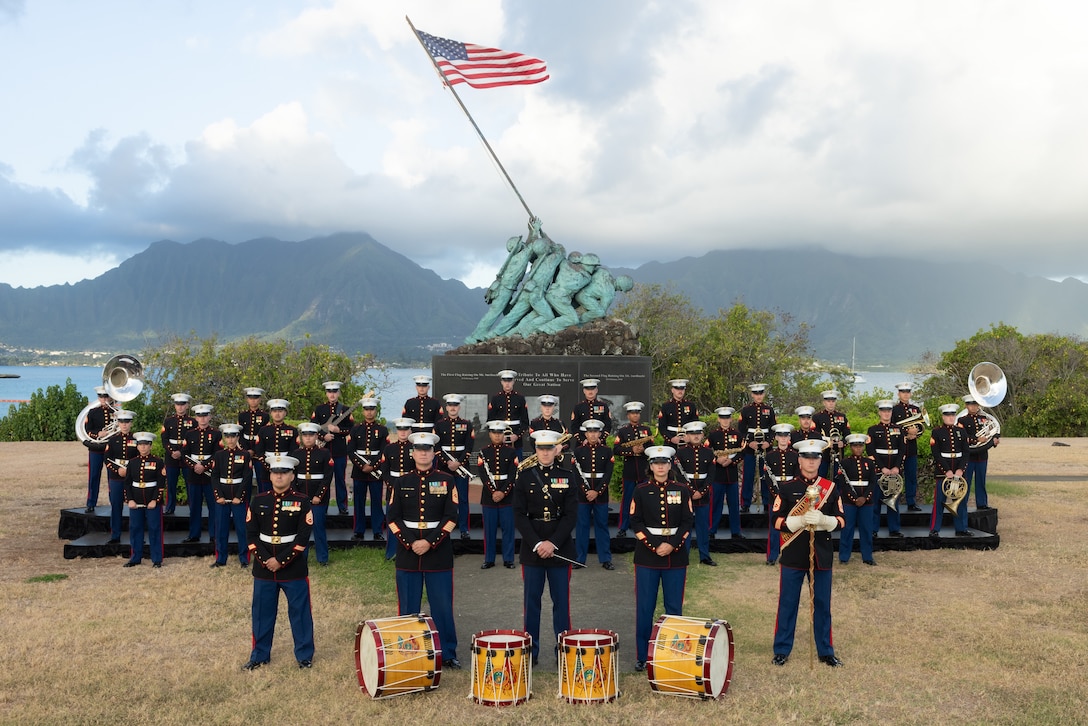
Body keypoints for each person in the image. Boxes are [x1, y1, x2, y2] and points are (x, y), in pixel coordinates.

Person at [386, 432, 461, 668]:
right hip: (408, 553)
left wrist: (429, 542)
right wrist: (411, 543)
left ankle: (447, 653)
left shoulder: (447, 480)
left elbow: (452, 517)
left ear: (433, 453)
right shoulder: (401, 481)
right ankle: (407, 654)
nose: (423, 453)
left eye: (427, 449)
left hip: (438, 552)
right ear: (412, 453)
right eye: (419, 449)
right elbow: (392, 518)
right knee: (408, 607)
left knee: (442, 606)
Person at [771, 438, 845, 668]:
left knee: (822, 605)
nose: (811, 462)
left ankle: (826, 651)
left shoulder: (830, 488)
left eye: (815, 458)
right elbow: (776, 521)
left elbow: (842, 521)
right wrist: (799, 521)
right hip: (793, 554)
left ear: (820, 461)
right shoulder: (786, 488)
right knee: (788, 604)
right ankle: (782, 649)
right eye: (806, 458)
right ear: (800, 460)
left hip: (821, 554)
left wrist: (824, 521)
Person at [513, 429, 579, 666]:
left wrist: (553, 543)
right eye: (541, 449)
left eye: (549, 448)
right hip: (533, 549)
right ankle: (531, 651)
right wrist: (538, 543)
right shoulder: (524, 477)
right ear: (536, 450)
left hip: (560, 548)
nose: (545, 453)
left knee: (561, 603)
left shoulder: (567, 476)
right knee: (531, 604)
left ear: (556, 451)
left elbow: (571, 515)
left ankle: (564, 651)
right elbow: (519, 515)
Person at [243, 454, 315, 671]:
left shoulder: (302, 501)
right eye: (275, 472)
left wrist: (280, 561)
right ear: (270, 475)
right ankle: (259, 655)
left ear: (292, 476)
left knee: (300, 613)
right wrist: (266, 560)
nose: (279, 476)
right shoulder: (259, 500)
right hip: (264, 568)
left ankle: (304, 655)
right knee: (261, 614)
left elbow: (303, 537)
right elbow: (251, 535)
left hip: (293, 568)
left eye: (284, 472)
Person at [631, 445, 694, 671]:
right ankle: (643, 655)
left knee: (674, 608)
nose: (660, 466)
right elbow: (635, 521)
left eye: (664, 463)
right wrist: (655, 545)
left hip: (675, 557)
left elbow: (688, 521)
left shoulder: (682, 489)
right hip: (647, 557)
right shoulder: (640, 490)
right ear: (650, 466)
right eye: (656, 463)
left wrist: (672, 544)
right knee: (645, 608)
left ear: (670, 465)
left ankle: (673, 655)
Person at [467, 233, 536, 344]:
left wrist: (531, 232)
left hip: (506, 289)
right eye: (520, 243)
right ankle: (477, 335)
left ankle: (511, 329)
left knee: (508, 311)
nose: (523, 244)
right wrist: (534, 232)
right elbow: (531, 246)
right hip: (505, 289)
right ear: (518, 247)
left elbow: (529, 245)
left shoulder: (516, 257)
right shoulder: (521, 256)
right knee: (494, 312)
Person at [208, 423, 252, 569]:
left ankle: (244, 559)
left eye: (233, 436)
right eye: (227, 436)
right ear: (224, 438)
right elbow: (214, 477)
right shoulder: (219, 455)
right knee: (221, 529)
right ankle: (221, 558)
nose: (230, 439)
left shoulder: (245, 455)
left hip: (239, 498)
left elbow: (247, 477)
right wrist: (218, 496)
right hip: (222, 497)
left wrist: (240, 496)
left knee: (242, 529)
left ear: (238, 437)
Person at [573, 419, 615, 570]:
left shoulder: (607, 451)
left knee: (602, 526)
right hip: (583, 495)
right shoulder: (578, 451)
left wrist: (597, 491)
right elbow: (576, 475)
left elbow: (608, 474)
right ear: (585, 434)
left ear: (600, 434)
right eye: (590, 432)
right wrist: (587, 491)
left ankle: (605, 559)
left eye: (595, 432)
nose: (592, 434)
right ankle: (579, 558)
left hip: (600, 494)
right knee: (582, 526)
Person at [477, 420, 519, 569]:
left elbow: (513, 474)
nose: (497, 436)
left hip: (507, 497)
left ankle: (508, 559)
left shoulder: (511, 452)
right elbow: (483, 475)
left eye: (500, 433)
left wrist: (503, 492)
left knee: (508, 529)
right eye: (494, 433)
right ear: (490, 434)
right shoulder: (483, 452)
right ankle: (489, 559)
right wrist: (493, 492)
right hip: (489, 497)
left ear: (503, 434)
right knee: (489, 531)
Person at [291, 422, 334, 567]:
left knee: (318, 527)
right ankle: (300, 557)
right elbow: (293, 477)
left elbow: (327, 477)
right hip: (301, 496)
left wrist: (319, 496)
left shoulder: (324, 453)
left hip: (318, 498)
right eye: (305, 435)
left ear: (316, 436)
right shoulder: (296, 454)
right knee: (301, 529)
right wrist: (296, 495)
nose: (308, 438)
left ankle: (322, 558)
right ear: (301, 437)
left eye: (311, 435)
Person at [676, 420, 716, 566]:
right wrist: (692, 491)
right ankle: (683, 555)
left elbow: (711, 475)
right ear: (687, 436)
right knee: (685, 526)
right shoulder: (680, 452)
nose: (696, 436)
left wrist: (702, 491)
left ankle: (704, 556)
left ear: (703, 435)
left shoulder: (708, 452)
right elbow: (678, 474)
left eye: (698, 433)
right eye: (692, 433)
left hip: (703, 494)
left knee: (703, 527)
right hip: (686, 493)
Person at [435, 393, 475, 541]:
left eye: (455, 405)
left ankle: (464, 529)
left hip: (461, 467)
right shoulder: (439, 425)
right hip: (443, 468)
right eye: (450, 405)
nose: (453, 408)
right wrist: (447, 462)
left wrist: (459, 462)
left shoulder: (467, 424)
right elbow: (437, 447)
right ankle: (443, 528)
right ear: (446, 407)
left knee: (463, 499)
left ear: (459, 407)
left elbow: (469, 446)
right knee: (442, 499)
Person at [347, 398, 388, 541]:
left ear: (376, 411)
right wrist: (362, 466)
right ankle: (359, 531)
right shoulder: (355, 429)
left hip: (376, 472)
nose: (369, 412)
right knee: (359, 502)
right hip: (359, 472)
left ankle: (378, 531)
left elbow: (384, 450)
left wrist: (373, 466)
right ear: (363, 411)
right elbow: (351, 450)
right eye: (366, 409)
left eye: (372, 409)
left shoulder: (382, 430)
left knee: (377, 502)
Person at [122, 431, 165, 568]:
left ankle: (157, 559)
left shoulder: (158, 462)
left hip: (152, 501)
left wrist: (155, 500)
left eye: (146, 444)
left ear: (150, 446)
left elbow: (161, 483)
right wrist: (129, 499)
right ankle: (135, 558)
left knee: (154, 529)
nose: (143, 447)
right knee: (135, 529)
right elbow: (127, 483)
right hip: (136, 501)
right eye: (140, 445)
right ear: (137, 446)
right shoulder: (132, 462)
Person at [311, 381, 353, 515]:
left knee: (340, 479)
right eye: (330, 392)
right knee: (324, 480)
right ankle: (323, 505)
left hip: (339, 451)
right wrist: (323, 436)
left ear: (338, 393)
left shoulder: (345, 409)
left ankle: (342, 506)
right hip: (323, 451)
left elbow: (351, 429)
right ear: (326, 393)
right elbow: (313, 427)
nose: (332, 394)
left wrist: (338, 430)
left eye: (335, 392)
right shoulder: (319, 409)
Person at [181, 404, 221, 544]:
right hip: (194, 475)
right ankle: (194, 534)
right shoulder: (189, 434)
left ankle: (214, 535)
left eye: (205, 415)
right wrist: (195, 466)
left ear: (210, 417)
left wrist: (204, 465)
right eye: (200, 416)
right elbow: (185, 454)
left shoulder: (216, 434)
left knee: (213, 506)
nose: (202, 418)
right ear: (196, 418)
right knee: (194, 507)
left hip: (210, 475)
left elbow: (218, 453)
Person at [929, 403, 971, 538]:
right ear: (943, 417)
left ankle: (961, 528)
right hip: (943, 472)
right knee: (939, 501)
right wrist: (946, 470)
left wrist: (960, 470)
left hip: (958, 472)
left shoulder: (961, 431)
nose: (950, 417)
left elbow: (966, 452)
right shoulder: (937, 432)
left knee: (959, 501)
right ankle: (935, 529)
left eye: (953, 415)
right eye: (948, 415)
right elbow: (936, 454)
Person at [613, 401, 653, 538]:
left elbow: (651, 447)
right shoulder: (623, 431)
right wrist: (631, 450)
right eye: (632, 413)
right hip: (629, 470)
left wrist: (644, 449)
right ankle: (623, 527)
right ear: (628, 415)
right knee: (627, 500)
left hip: (643, 470)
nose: (635, 415)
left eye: (637, 413)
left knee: (646, 499)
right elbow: (616, 449)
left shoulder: (646, 430)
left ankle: (646, 526)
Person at [836, 434, 876, 565]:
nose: (858, 448)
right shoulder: (844, 463)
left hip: (866, 502)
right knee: (847, 529)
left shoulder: (870, 462)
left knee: (867, 529)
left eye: (860, 446)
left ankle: (867, 557)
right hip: (849, 502)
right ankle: (844, 557)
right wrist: (854, 499)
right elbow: (843, 484)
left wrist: (865, 498)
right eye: (855, 446)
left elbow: (873, 482)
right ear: (850, 447)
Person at [867, 400, 905, 539]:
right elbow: (871, 451)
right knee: (876, 502)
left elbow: (902, 450)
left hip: (894, 471)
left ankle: (894, 529)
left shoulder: (899, 429)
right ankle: (873, 529)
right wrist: (882, 468)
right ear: (879, 412)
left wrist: (896, 467)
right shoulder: (872, 430)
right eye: (883, 411)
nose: (886, 413)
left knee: (893, 501)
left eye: (888, 411)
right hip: (879, 471)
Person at [380, 418, 416, 559]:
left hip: (411, 488)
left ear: (410, 430)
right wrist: (393, 486)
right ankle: (391, 553)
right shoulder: (389, 448)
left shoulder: (416, 448)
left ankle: (409, 550)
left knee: (410, 521)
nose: (403, 432)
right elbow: (384, 470)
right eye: (400, 429)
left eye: (406, 429)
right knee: (392, 521)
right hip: (393, 488)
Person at [707, 406, 745, 540]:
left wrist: (732, 461)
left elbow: (742, 452)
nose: (725, 420)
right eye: (722, 418)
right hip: (718, 475)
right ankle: (712, 530)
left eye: (727, 418)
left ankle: (736, 531)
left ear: (731, 419)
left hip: (732, 475)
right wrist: (716, 459)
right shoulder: (713, 435)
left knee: (734, 505)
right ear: (718, 419)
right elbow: (706, 451)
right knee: (715, 504)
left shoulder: (737, 434)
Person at [764, 423, 799, 565]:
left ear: (789, 438)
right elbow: (767, 478)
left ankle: (790, 554)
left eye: (786, 436)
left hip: (790, 496)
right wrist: (776, 494)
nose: (783, 438)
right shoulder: (769, 456)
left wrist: (790, 494)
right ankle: (772, 556)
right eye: (780, 436)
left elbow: (797, 477)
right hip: (775, 496)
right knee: (774, 526)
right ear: (776, 438)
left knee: (792, 525)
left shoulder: (795, 455)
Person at [739, 383, 776, 512]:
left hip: (765, 447)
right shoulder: (746, 410)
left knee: (766, 475)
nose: (759, 396)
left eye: (761, 393)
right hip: (750, 447)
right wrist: (749, 442)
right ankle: (745, 503)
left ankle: (767, 502)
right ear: (752, 395)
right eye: (756, 394)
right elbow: (741, 430)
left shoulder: (769, 409)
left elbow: (773, 429)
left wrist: (769, 442)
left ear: (764, 394)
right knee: (748, 476)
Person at [103, 409, 138, 544]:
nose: (124, 424)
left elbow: (140, 459)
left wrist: (129, 472)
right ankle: (115, 536)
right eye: (122, 422)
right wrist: (117, 470)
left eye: (127, 422)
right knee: (116, 507)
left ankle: (136, 536)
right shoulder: (112, 440)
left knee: (135, 507)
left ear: (131, 423)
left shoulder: (137, 439)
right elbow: (107, 459)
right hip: (116, 478)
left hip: (132, 478)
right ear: (118, 423)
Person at [961, 394, 1000, 510]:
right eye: (970, 405)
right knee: (966, 481)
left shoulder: (985, 418)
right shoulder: (962, 420)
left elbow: (994, 429)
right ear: (966, 406)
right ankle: (962, 504)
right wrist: (976, 439)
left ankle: (982, 504)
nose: (973, 407)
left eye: (975, 404)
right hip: (968, 456)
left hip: (982, 455)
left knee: (981, 481)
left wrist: (995, 439)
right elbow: (962, 437)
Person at [891, 383, 924, 511]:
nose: (905, 394)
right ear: (898, 394)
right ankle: (894, 500)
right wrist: (906, 432)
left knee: (911, 476)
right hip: (898, 448)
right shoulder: (894, 410)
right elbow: (892, 427)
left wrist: (915, 432)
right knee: (896, 476)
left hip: (911, 448)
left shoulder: (915, 409)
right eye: (903, 392)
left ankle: (911, 502)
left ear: (910, 394)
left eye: (907, 392)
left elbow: (920, 426)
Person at [159, 392, 193, 514]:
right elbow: (164, 439)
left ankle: (193, 508)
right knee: (171, 484)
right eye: (178, 404)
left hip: (187, 456)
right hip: (171, 456)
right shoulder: (168, 421)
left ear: (187, 405)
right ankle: (169, 507)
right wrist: (172, 451)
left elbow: (193, 440)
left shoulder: (193, 422)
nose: (180, 407)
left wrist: (181, 452)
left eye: (183, 404)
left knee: (190, 483)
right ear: (175, 406)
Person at [254, 399, 298, 492]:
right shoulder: (263, 430)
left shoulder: (292, 430)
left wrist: (284, 465)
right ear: (271, 413)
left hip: (285, 468)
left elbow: (294, 450)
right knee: (265, 494)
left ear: (285, 413)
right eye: (274, 411)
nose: (277, 414)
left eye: (280, 411)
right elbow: (259, 450)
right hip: (266, 468)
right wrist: (268, 466)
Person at [83, 386, 114, 513]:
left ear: (110, 397)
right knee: (94, 476)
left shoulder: (116, 412)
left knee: (113, 478)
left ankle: (114, 503)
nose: (103, 399)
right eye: (101, 397)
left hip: (111, 450)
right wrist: (98, 434)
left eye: (106, 396)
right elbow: (87, 430)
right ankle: (91, 503)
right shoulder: (92, 412)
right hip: (95, 449)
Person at [487, 370, 529, 460]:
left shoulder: (520, 398)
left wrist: (517, 435)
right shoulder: (495, 399)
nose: (507, 384)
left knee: (517, 464)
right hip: (499, 438)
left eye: (509, 381)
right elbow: (490, 421)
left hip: (516, 440)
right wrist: (498, 437)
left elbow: (525, 422)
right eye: (505, 381)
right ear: (501, 382)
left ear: (513, 381)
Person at [237, 387, 269, 493]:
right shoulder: (242, 415)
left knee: (262, 479)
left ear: (260, 399)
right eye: (250, 398)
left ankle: (262, 501)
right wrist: (246, 450)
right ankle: (246, 503)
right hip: (245, 450)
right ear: (247, 399)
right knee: (245, 480)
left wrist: (255, 450)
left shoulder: (265, 416)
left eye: (256, 398)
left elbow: (265, 435)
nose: (253, 400)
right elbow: (239, 434)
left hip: (259, 452)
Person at [812, 390, 850, 478]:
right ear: (824, 402)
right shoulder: (817, 417)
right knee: (821, 477)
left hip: (838, 453)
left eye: (833, 401)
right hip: (823, 453)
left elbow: (847, 434)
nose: (831, 404)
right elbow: (815, 435)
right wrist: (827, 442)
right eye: (828, 401)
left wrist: (843, 442)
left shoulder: (842, 416)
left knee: (838, 478)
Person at [570, 378, 613, 447]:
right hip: (582, 444)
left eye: (592, 389)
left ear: (596, 390)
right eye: (587, 389)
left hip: (599, 443)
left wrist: (600, 439)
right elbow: (574, 426)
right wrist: (583, 440)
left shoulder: (603, 406)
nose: (590, 391)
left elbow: (608, 425)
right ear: (584, 391)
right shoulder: (578, 407)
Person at [657, 378, 699, 446]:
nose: (680, 391)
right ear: (672, 390)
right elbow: (662, 426)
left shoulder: (691, 405)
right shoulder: (666, 406)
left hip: (687, 441)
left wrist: (690, 437)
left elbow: (695, 424)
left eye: (682, 389)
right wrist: (670, 438)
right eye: (677, 389)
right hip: (671, 441)